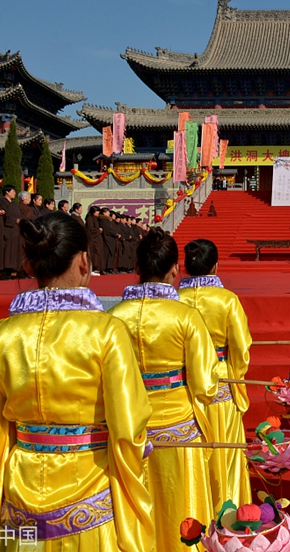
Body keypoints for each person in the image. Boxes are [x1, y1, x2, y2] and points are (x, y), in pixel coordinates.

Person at [0, 212, 155, 551]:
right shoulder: (106, 332)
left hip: (23, 485)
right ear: (84, 261)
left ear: (29, 265)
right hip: (90, 484)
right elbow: (129, 425)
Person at [108, 228, 220, 552]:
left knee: (136, 511)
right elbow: (205, 384)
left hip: (131, 431)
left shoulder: (113, 318)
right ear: (174, 270)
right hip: (179, 428)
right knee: (184, 511)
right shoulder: (186, 317)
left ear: (138, 268)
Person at [178, 239, 253, 507]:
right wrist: (236, 377)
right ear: (216, 266)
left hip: (183, 385)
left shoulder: (176, 301)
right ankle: (228, 510)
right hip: (221, 380)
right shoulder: (227, 300)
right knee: (226, 452)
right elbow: (241, 348)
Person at [0, 185, 22, 280]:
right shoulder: (1, 202)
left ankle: (11, 270)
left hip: (15, 230)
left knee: (14, 251)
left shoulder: (14, 204)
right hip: (7, 229)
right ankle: (4, 272)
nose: (14, 193)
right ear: (7, 192)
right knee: (7, 251)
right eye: (13, 191)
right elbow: (5, 215)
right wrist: (14, 220)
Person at [86, 205, 104, 275]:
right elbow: (90, 229)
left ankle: (96, 268)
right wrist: (98, 230)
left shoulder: (95, 218)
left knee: (98, 253)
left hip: (97, 238)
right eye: (97, 211)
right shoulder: (90, 219)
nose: (98, 213)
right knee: (94, 254)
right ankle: (93, 268)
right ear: (93, 212)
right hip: (93, 239)